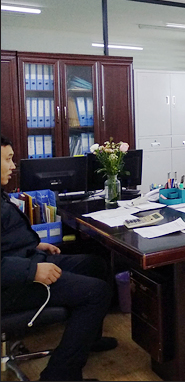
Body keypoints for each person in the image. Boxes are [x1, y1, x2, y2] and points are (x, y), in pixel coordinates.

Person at [1, 135, 117, 381]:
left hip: (24, 262)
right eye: (8, 159)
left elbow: (6, 238)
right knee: (97, 293)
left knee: (96, 264)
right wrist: (33, 271)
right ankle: (60, 375)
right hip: (11, 285)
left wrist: (34, 244)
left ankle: (89, 338)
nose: (13, 166)